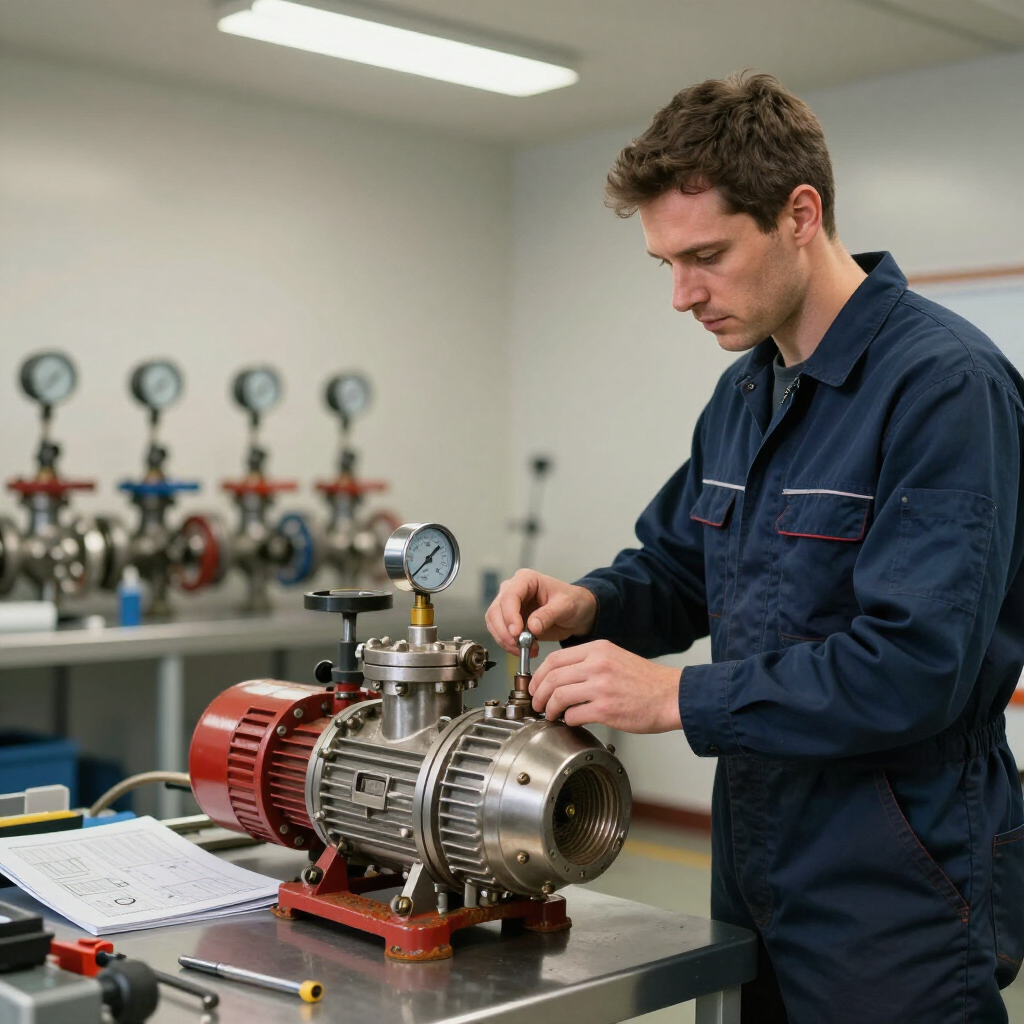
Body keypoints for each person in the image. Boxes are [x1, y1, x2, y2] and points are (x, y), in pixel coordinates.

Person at [485, 73, 1024, 1024]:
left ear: (799, 213)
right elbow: (682, 567)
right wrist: (592, 603)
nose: (684, 295)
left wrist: (677, 696)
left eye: (707, 256)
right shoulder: (748, 394)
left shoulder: (946, 388)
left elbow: (915, 664)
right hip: (757, 852)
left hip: (897, 873)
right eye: (667, 265)